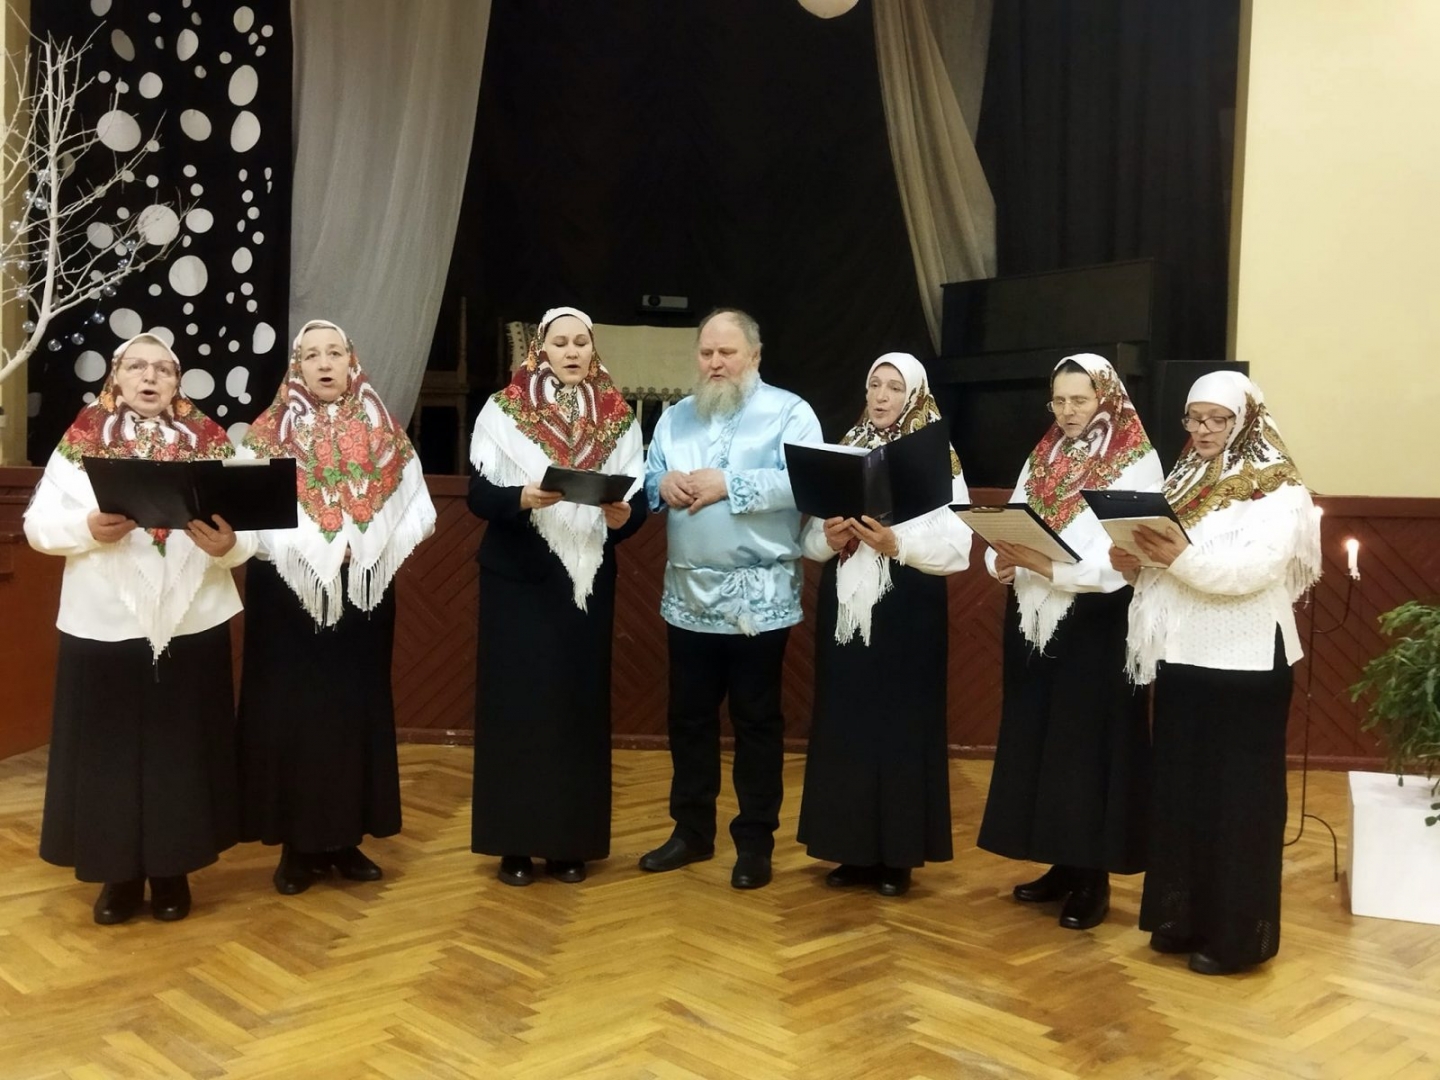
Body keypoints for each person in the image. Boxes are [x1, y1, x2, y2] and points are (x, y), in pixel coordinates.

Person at [24, 333, 255, 924]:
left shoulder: (211, 444)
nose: (150, 377)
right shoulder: (80, 442)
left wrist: (230, 546)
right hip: (105, 620)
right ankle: (117, 876)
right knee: (110, 752)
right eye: (136, 367)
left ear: (178, 383)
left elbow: (249, 530)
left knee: (181, 749)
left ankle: (174, 871)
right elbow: (37, 527)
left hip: (191, 620)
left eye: (163, 369)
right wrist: (85, 527)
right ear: (116, 377)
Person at [1112, 371, 1320, 976]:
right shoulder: (1183, 479)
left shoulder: (1279, 488)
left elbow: (1252, 571)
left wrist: (1176, 558)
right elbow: (1167, 563)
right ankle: (1180, 918)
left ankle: (1236, 938)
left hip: (1246, 663)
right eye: (1193, 418)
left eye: (1216, 419)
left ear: (1246, 419)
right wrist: (1133, 562)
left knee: (1239, 805)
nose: (1202, 430)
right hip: (1184, 656)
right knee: (1182, 795)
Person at [237, 320, 436, 895]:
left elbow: (416, 508)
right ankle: (296, 848)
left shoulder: (383, 430)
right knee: (291, 715)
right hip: (287, 594)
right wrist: (313, 548)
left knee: (353, 712)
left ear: (353, 361)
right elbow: (248, 512)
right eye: (311, 355)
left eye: (334, 353)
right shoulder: (266, 434)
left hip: (361, 594)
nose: (324, 364)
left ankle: (347, 839)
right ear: (295, 366)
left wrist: (366, 545)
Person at [975, 353, 1162, 931]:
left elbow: (1125, 553)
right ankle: (1059, 861)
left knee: (1089, 749)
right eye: (1058, 400)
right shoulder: (1045, 454)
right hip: (1034, 615)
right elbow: (1011, 519)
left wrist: (1051, 568)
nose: (1068, 411)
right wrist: (1000, 559)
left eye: (1079, 400)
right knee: (1043, 743)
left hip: (1097, 622)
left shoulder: (1136, 459)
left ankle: (1092, 878)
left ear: (1106, 396)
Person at [638, 307, 823, 890]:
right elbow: (648, 477)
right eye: (706, 353)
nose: (715, 363)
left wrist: (730, 484)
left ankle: (754, 843)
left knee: (756, 720)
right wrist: (662, 483)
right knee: (688, 718)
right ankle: (691, 832)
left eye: (727, 353)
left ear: (755, 356)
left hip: (757, 599)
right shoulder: (675, 417)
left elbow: (810, 481)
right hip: (688, 596)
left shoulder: (789, 412)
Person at [468, 306, 646, 885]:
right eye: (560, 343)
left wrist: (624, 516)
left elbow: (637, 502)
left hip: (584, 585)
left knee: (576, 710)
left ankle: (570, 844)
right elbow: (479, 497)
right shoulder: (503, 411)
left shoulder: (617, 417)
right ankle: (514, 847)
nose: (571, 352)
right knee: (516, 711)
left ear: (594, 351)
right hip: (517, 583)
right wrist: (520, 498)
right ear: (539, 350)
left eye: (581, 343)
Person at [796, 353, 972, 897]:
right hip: (846, 612)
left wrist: (897, 544)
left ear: (914, 395)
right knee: (846, 723)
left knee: (900, 728)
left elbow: (959, 549)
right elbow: (809, 542)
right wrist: (829, 537)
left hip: (907, 610)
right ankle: (850, 849)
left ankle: (897, 855)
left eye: (894, 387)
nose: (881, 396)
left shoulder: (937, 457)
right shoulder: (844, 449)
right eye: (874, 384)